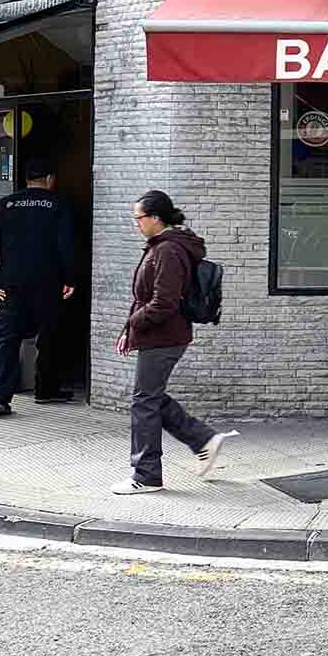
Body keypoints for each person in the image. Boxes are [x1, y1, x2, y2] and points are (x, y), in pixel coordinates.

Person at [111, 190, 237, 495]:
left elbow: (163, 303)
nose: (136, 224)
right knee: (150, 397)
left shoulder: (167, 250)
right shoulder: (163, 246)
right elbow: (147, 299)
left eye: (138, 218)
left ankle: (147, 475)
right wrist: (131, 330)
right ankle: (203, 439)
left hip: (164, 336)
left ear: (155, 218)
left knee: (144, 402)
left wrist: (132, 324)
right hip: (160, 334)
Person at [0, 156, 77, 417]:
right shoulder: (57, 205)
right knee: (49, 336)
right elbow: (66, 245)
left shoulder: (6, 204)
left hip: (11, 286)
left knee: (7, 340)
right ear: (49, 179)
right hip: (48, 284)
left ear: (26, 180)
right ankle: (45, 390)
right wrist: (70, 279)